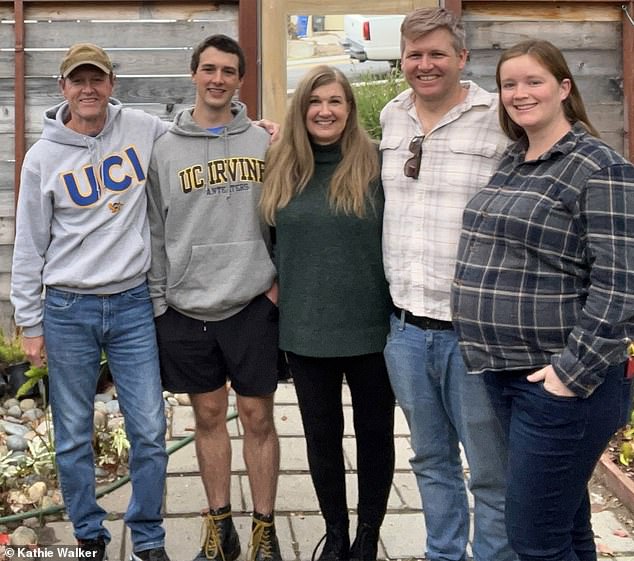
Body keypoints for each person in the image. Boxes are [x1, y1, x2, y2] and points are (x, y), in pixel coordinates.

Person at [452, 39, 634, 561]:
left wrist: (568, 376)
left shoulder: (598, 167)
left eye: (533, 81)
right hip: (506, 374)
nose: (519, 93)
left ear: (564, 88)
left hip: (560, 386)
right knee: (566, 526)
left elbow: (621, 283)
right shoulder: (515, 159)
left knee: (533, 539)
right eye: (509, 84)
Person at [10, 43, 171, 561]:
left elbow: (197, 137)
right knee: (73, 433)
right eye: (77, 81)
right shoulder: (43, 157)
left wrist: (257, 127)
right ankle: (88, 537)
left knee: (149, 428)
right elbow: (29, 244)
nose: (88, 89)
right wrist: (29, 323)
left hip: (131, 306)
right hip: (66, 309)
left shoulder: (142, 130)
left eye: (96, 79)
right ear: (62, 89)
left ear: (111, 84)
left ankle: (147, 537)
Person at [379, 8, 516, 561]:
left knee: (491, 471)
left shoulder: (499, 117)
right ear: (402, 60)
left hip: (475, 334)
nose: (425, 64)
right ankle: (442, 554)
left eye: (438, 54)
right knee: (430, 462)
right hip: (407, 330)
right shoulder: (392, 117)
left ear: (462, 58)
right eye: (415, 54)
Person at [146, 34, 282, 561]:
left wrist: (276, 286)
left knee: (258, 418)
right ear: (194, 74)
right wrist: (160, 301)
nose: (218, 79)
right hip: (187, 308)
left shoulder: (264, 143)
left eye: (228, 70)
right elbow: (155, 230)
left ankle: (264, 531)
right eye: (209, 69)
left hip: (251, 303)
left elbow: (284, 218)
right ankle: (219, 526)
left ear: (240, 79)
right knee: (206, 418)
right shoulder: (165, 149)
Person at [260, 65, 395, 561]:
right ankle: (335, 534)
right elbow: (267, 239)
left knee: (375, 436)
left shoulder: (376, 163)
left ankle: (367, 535)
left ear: (350, 109)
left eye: (335, 101)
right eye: (315, 102)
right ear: (301, 109)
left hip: (372, 327)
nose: (325, 111)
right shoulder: (280, 165)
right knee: (321, 437)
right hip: (306, 327)